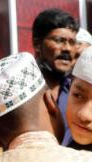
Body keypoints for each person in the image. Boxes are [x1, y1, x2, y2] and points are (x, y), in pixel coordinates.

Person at [31, 8, 79, 142]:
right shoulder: (21, 89)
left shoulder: (78, 90)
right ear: (37, 44)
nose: (67, 48)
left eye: (72, 42)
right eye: (59, 40)